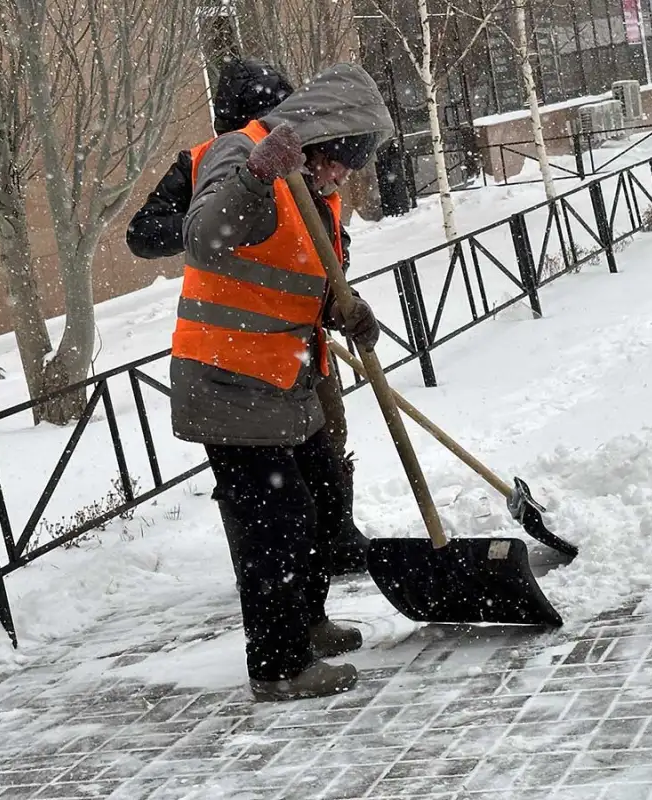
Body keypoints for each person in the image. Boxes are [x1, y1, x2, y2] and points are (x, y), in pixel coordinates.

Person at [172, 62, 394, 701]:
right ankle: (278, 665)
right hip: (228, 381)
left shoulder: (312, 184)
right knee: (277, 521)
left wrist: (342, 308)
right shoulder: (241, 154)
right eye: (340, 161)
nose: (343, 175)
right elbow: (203, 241)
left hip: (286, 381)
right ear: (321, 139)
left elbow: (288, 276)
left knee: (323, 502)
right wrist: (255, 177)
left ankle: (309, 622)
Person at [127, 57, 370, 576]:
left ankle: (332, 547)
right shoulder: (203, 163)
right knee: (268, 499)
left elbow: (322, 249)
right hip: (237, 358)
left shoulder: (310, 169)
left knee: (325, 455)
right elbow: (145, 234)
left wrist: (339, 300)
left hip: (299, 347)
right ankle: (275, 577)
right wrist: (228, 221)